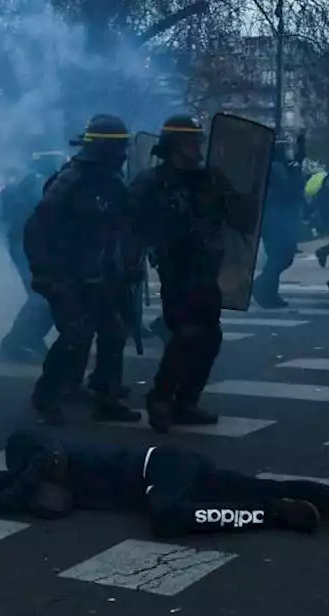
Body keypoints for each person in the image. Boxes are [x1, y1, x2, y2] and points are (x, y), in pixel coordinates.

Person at [0, 431, 329, 539]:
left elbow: (21, 491)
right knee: (251, 487)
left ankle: (277, 517)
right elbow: (21, 480)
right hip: (174, 464)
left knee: (167, 518)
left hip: (160, 470)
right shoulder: (44, 461)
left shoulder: (50, 454)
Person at [24, 115, 141, 425]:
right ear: (103, 148)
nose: (123, 153)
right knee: (76, 333)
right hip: (66, 272)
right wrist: (44, 272)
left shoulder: (113, 182)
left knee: (113, 331)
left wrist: (127, 265)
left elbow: (124, 227)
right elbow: (37, 228)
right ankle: (46, 395)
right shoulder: (70, 180)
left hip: (98, 272)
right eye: (117, 147)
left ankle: (106, 396)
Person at [128, 115, 226, 433]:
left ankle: (186, 402)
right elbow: (129, 226)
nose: (198, 148)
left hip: (205, 268)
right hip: (177, 269)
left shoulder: (205, 180)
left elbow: (231, 217)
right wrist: (133, 262)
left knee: (210, 336)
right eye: (192, 142)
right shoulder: (150, 183)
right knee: (187, 333)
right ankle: (159, 397)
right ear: (175, 146)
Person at [0, 150, 66, 363]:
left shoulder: (32, 180)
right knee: (40, 297)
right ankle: (14, 343)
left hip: (29, 245)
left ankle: (30, 337)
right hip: (28, 246)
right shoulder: (35, 182)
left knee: (45, 296)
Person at [252, 139, 304, 308]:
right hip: (275, 219)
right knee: (280, 257)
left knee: (279, 257)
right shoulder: (276, 167)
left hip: (276, 218)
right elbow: (288, 190)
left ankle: (269, 293)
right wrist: (295, 172)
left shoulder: (275, 166)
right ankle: (261, 286)